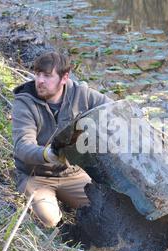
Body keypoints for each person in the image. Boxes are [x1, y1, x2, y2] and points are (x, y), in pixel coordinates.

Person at [12, 51, 113, 228]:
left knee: (105, 213)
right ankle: (56, 216)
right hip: (36, 176)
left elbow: (113, 111)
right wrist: (48, 154)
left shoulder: (82, 94)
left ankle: (70, 203)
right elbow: (22, 146)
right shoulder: (24, 103)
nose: (40, 81)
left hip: (73, 174)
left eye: (47, 76)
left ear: (64, 77)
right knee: (49, 220)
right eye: (37, 74)